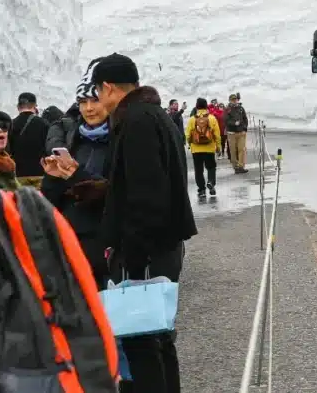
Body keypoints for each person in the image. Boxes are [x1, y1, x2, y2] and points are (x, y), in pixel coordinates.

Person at [90, 54, 197, 393]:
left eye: (97, 91)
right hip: (163, 247)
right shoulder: (156, 115)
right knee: (160, 337)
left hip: (147, 254)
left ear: (108, 87)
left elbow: (145, 196)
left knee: (141, 343)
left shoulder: (135, 121)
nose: (97, 100)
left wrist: (132, 262)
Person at [40, 71, 113, 288]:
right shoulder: (73, 141)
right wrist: (52, 179)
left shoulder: (121, 139)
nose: (89, 108)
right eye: (83, 102)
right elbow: (52, 200)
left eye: (95, 100)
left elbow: (121, 191)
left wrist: (76, 175)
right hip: (72, 242)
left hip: (107, 243)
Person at [8, 91, 48, 181]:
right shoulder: (44, 123)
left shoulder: (10, 124)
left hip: (17, 176)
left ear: (18, 107)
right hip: (40, 175)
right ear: (35, 106)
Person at [186, 98, 221, 199]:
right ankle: (211, 183)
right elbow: (217, 134)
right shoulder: (212, 118)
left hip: (196, 149)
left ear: (196, 107)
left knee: (198, 170)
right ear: (206, 106)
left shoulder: (192, 119)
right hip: (209, 148)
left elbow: (188, 134)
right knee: (211, 167)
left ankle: (201, 190)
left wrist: (190, 143)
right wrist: (218, 147)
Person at [224, 93, 249, 174]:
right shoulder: (227, 109)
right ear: (230, 101)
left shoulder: (241, 108)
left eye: (235, 99)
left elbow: (245, 119)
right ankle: (235, 167)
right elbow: (226, 120)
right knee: (233, 151)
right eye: (233, 100)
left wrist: (244, 129)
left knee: (242, 149)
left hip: (241, 132)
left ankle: (241, 166)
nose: (234, 101)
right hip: (231, 133)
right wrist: (234, 123)